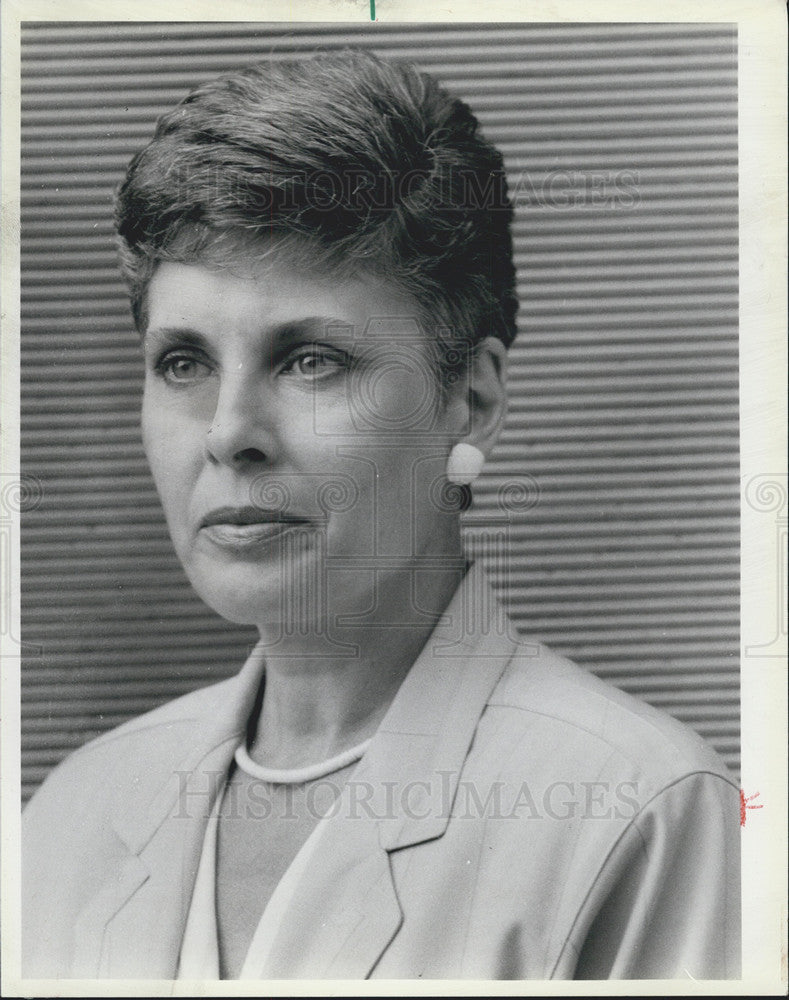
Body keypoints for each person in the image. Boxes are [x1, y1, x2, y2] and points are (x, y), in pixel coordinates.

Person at [22, 50, 740, 981]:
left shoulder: (639, 806)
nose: (230, 434)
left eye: (310, 360)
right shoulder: (75, 810)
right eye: (184, 364)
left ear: (470, 401)